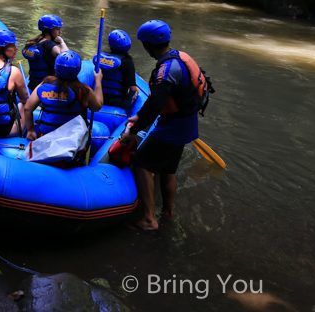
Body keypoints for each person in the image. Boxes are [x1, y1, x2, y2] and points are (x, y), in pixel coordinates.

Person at [119, 20, 209, 232]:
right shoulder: (180, 57)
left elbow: (155, 106)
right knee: (168, 169)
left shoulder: (167, 69)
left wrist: (132, 133)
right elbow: (155, 102)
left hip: (172, 127)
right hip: (187, 124)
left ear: (148, 45)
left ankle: (149, 220)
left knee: (141, 162)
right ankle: (168, 213)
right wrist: (138, 115)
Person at [21, 50, 104, 141]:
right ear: (78, 69)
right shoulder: (84, 91)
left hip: (45, 137)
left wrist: (31, 130)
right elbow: (97, 106)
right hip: (72, 141)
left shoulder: (45, 84)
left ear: (56, 67)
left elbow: (28, 108)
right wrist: (98, 81)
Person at [21, 14, 69, 92]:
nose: (60, 32)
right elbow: (66, 56)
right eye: (57, 29)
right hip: (48, 87)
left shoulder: (34, 42)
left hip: (33, 85)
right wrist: (62, 42)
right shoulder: (49, 45)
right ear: (48, 30)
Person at [93, 29, 139, 108]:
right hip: (117, 101)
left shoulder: (100, 58)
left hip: (97, 98)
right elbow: (133, 89)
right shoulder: (128, 62)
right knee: (137, 90)